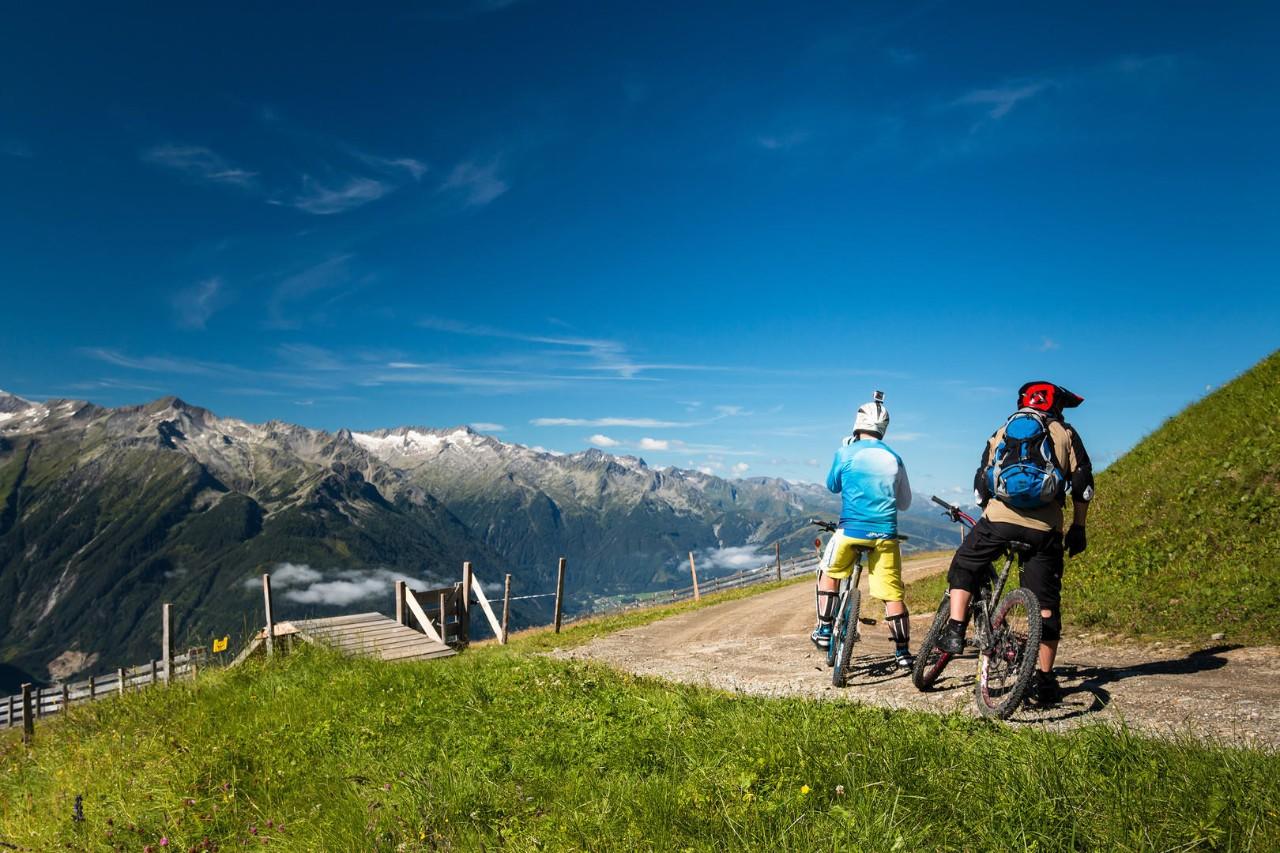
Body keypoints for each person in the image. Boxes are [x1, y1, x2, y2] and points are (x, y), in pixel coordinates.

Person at [939, 381, 1095, 705]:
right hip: (1044, 529)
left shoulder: (1003, 430)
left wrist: (992, 515)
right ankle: (1045, 681)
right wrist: (1078, 527)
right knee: (1047, 605)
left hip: (998, 521)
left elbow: (982, 481)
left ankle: (955, 630)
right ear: (1056, 406)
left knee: (965, 564)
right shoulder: (1066, 434)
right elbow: (1082, 484)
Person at [811, 391, 915, 669]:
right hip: (885, 536)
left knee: (829, 572)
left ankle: (823, 629)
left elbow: (832, 485)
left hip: (851, 531)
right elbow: (904, 503)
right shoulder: (896, 458)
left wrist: (845, 452)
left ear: (857, 425)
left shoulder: (845, 452)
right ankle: (903, 652)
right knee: (893, 594)